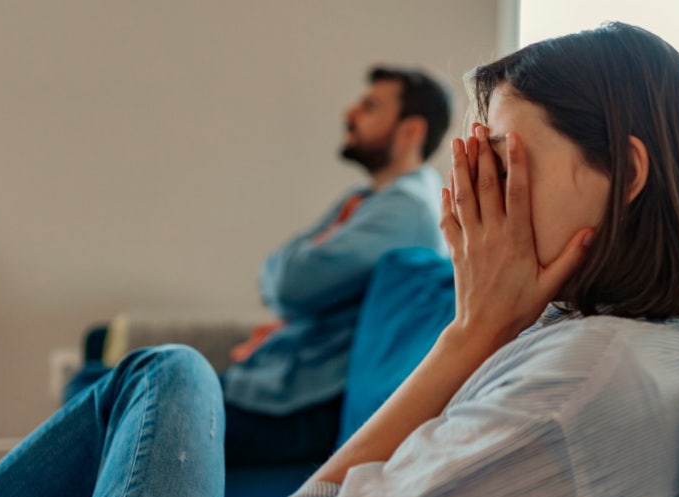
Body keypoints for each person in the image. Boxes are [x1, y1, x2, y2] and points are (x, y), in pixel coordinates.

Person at [0, 22, 679, 497]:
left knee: (165, 376)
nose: (481, 197)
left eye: (506, 166)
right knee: (163, 381)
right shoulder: (601, 340)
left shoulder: (583, 384)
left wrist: (468, 336)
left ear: (626, 176)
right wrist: (478, 333)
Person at [75, 65, 453, 466]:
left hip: (298, 406)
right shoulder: (365, 201)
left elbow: (289, 282)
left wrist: (295, 283)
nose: (349, 113)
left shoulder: (406, 211)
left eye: (370, 107)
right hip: (277, 387)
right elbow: (276, 276)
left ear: (410, 131)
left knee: (98, 395)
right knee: (99, 382)